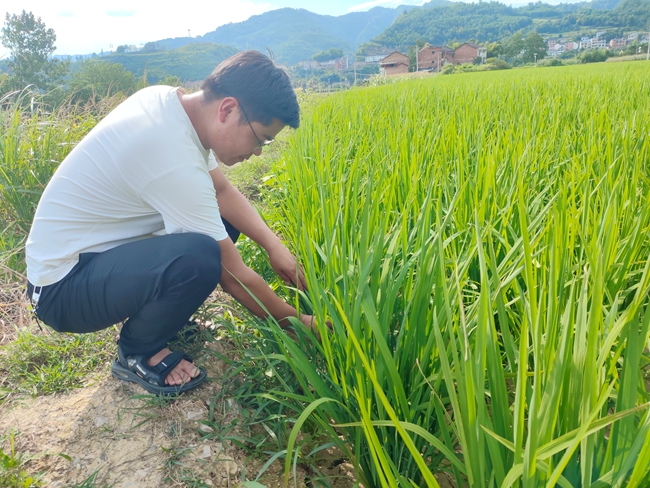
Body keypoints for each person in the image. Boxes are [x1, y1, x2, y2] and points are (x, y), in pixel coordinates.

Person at [25, 51, 315, 396]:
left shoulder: (173, 106)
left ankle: (161, 317)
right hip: (62, 289)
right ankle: (138, 352)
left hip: (92, 260)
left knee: (217, 225)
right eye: (261, 138)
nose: (258, 153)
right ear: (228, 109)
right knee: (202, 255)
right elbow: (232, 273)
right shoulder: (170, 155)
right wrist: (299, 323)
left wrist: (275, 247)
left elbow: (221, 189)